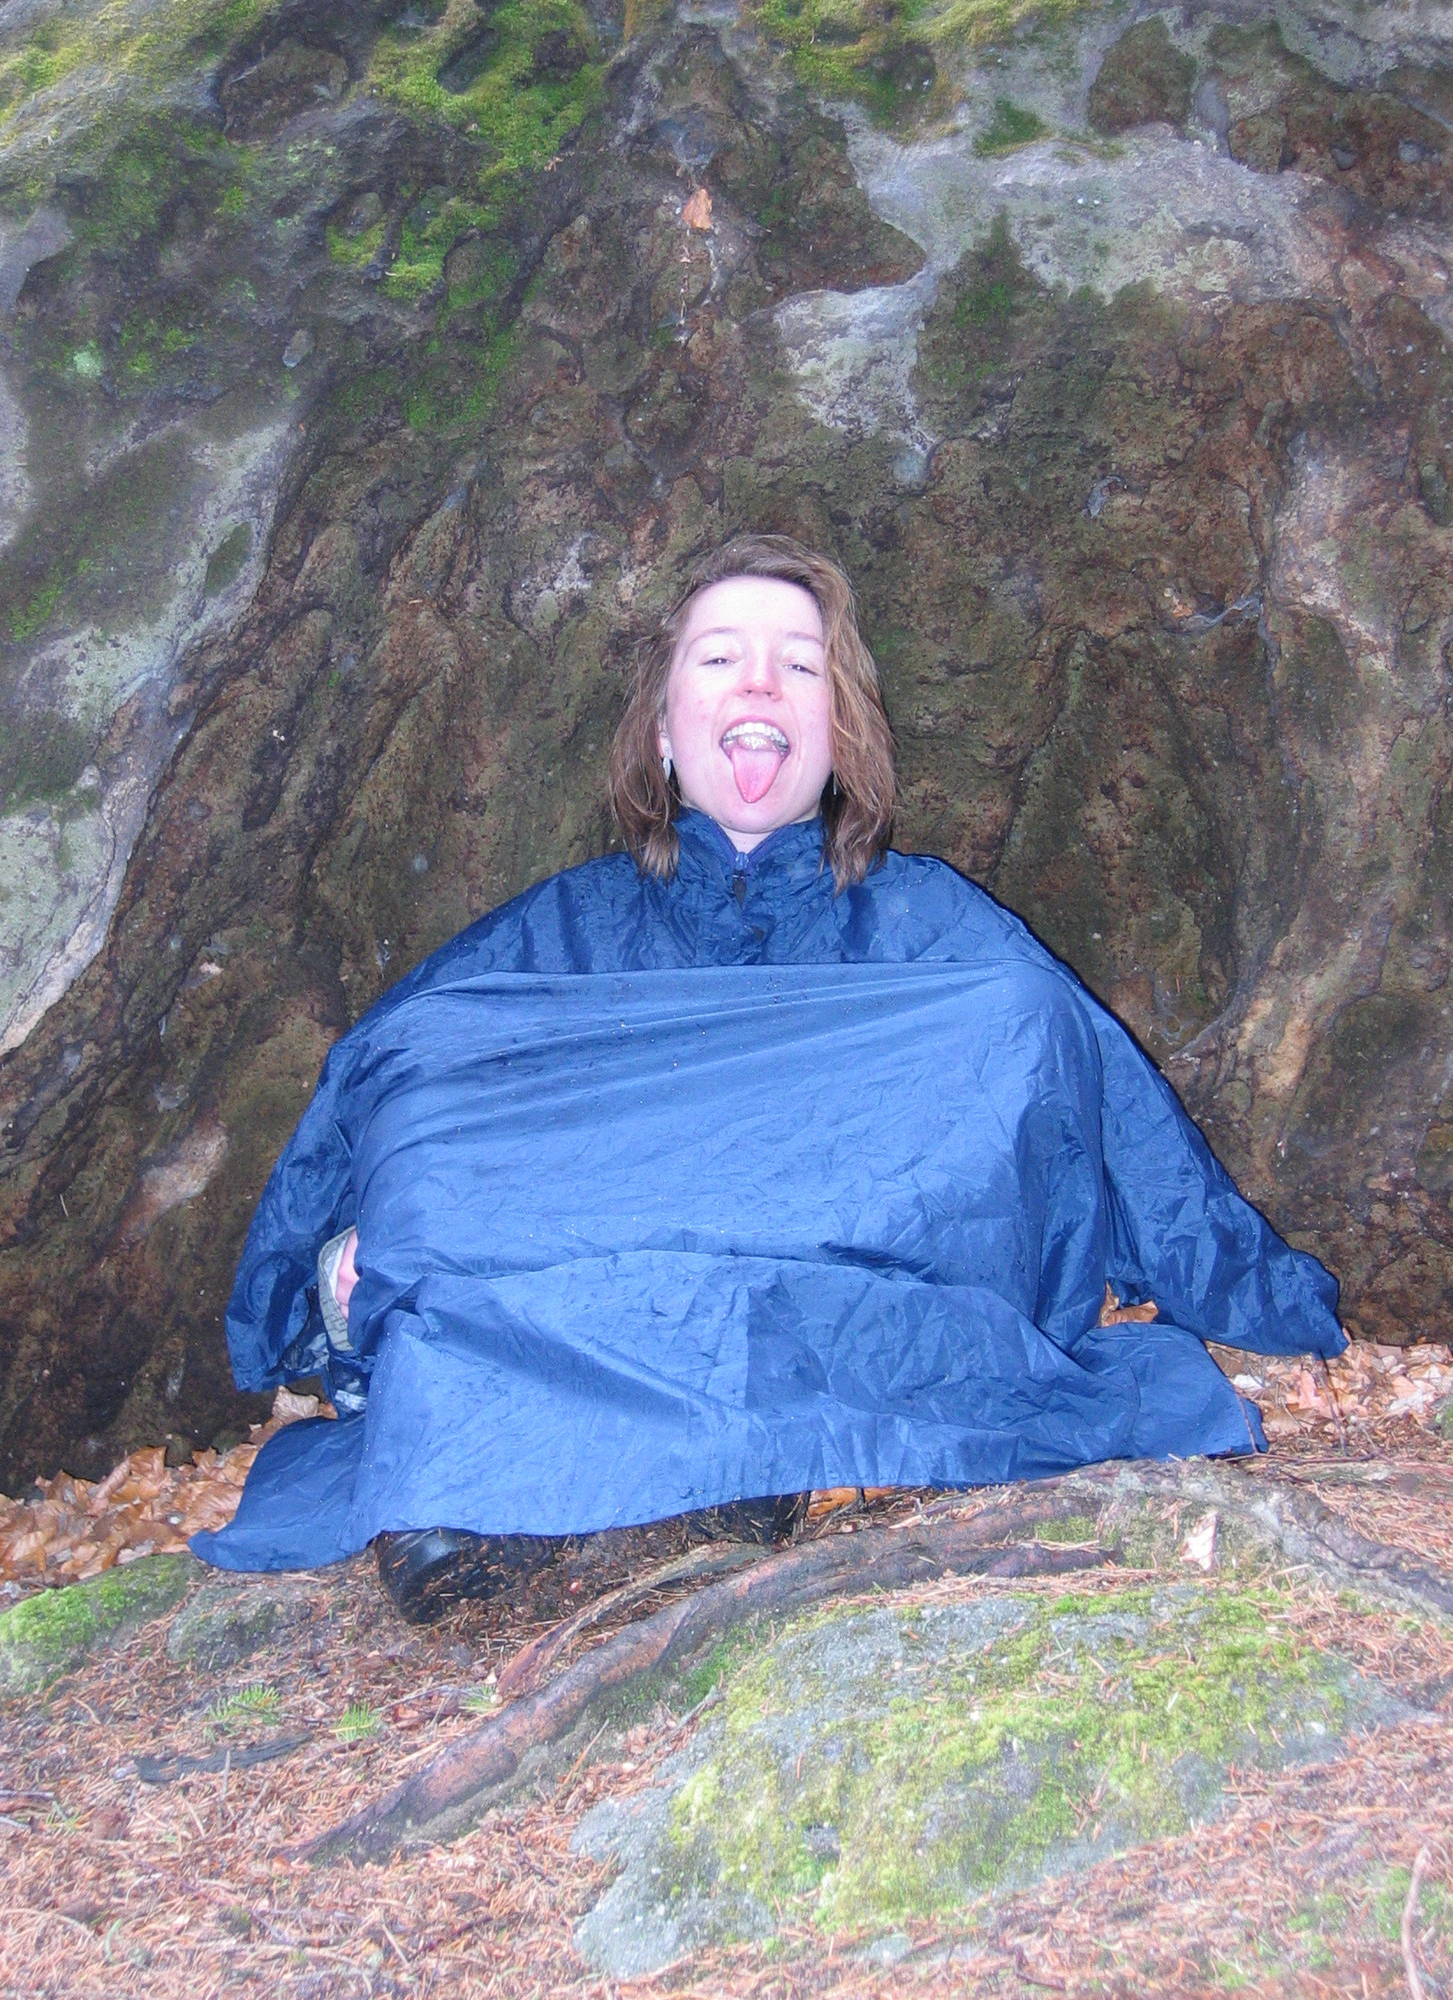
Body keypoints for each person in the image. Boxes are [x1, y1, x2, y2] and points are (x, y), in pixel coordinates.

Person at [194, 534, 1343, 1619]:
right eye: (719, 659)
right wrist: (327, 1274)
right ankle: (696, 1456)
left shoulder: (931, 923)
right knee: (434, 1078)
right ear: (661, 727)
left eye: (799, 665)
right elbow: (384, 1084)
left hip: (870, 1287)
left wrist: (1260, 1292)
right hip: (605, 1286)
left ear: (840, 735)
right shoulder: (560, 934)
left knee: (1020, 1014)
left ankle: (613, 1456)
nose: (758, 683)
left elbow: (1097, 1093)